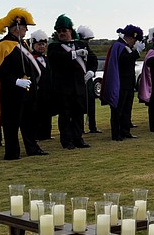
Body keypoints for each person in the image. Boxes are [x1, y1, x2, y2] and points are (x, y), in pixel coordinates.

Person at [0, 7, 48, 160]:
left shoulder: (23, 45)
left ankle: (32, 148)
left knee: (29, 122)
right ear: (17, 28)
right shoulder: (3, 46)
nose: (26, 30)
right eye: (25, 27)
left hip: (26, 91)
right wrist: (15, 81)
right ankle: (12, 152)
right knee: (11, 124)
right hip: (11, 93)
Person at [46, 15, 91, 149]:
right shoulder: (54, 46)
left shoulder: (81, 44)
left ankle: (78, 138)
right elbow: (56, 58)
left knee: (78, 114)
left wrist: (91, 71)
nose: (61, 33)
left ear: (70, 31)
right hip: (63, 87)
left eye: (64, 30)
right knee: (65, 115)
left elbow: (93, 59)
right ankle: (66, 141)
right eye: (59, 31)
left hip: (78, 86)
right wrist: (75, 54)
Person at [102, 24, 144, 140]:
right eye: (134, 40)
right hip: (120, 83)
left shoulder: (125, 46)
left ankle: (125, 131)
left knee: (126, 109)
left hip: (128, 83)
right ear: (130, 37)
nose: (135, 43)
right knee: (118, 110)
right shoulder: (119, 46)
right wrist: (137, 53)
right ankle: (116, 133)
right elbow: (124, 60)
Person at [29, 30, 53, 141]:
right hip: (36, 92)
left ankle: (46, 134)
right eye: (39, 44)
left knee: (47, 113)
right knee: (36, 114)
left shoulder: (47, 59)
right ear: (33, 45)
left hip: (47, 91)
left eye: (43, 44)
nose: (42, 46)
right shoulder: (31, 60)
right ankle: (36, 135)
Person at [77, 25, 101, 134]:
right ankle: (80, 128)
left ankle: (93, 126)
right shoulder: (75, 47)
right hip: (78, 80)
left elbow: (94, 60)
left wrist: (91, 72)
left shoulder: (87, 49)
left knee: (91, 103)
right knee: (80, 104)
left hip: (88, 78)